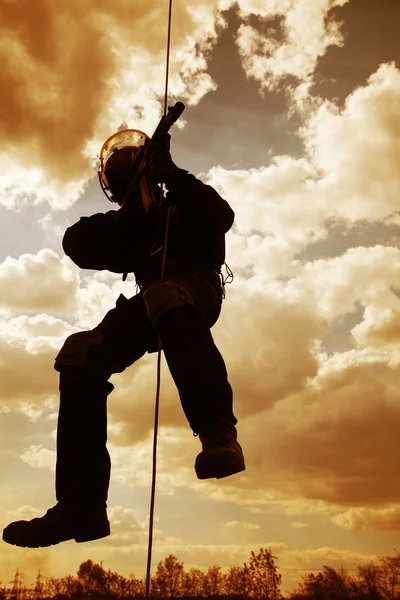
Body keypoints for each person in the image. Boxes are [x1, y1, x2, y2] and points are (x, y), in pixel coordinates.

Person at [2, 129, 245, 549]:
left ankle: (218, 432)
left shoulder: (181, 203)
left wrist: (173, 175)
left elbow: (220, 216)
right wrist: (135, 210)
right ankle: (82, 505)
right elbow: (78, 244)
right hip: (153, 302)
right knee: (81, 354)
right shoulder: (128, 224)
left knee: (164, 293)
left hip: (195, 291)